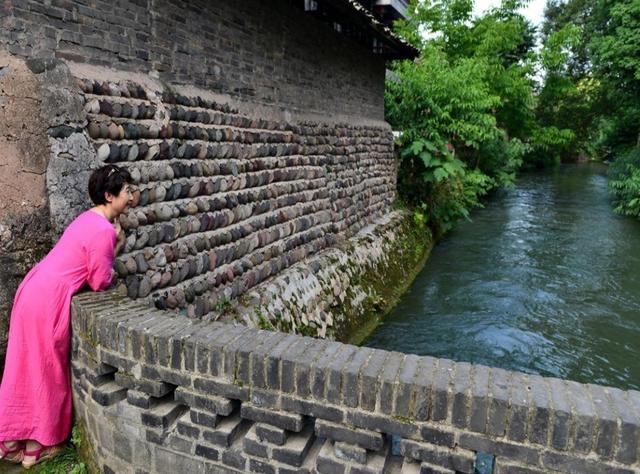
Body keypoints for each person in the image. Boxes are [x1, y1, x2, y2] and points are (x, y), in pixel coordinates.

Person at [0, 165, 132, 469]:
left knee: (23, 364)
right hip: (49, 300)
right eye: (127, 191)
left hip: (34, 289)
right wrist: (118, 243)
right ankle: (36, 447)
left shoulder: (87, 218)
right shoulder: (103, 231)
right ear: (110, 196)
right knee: (46, 370)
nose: (131, 196)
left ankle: (10, 440)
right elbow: (100, 281)